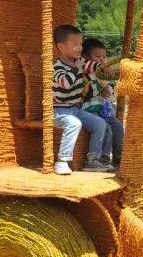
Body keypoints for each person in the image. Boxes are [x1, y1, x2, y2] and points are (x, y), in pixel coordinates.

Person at [51, 25, 113, 175]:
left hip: (76, 109)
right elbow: (65, 84)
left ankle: (93, 160)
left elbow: (95, 67)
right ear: (61, 46)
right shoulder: (57, 67)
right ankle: (62, 161)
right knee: (74, 123)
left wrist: (107, 68)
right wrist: (76, 69)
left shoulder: (80, 62)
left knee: (100, 123)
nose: (79, 48)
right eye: (75, 45)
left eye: (80, 44)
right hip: (59, 111)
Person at [81, 38, 125, 166]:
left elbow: (109, 85)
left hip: (101, 108)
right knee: (107, 128)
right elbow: (86, 93)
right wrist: (101, 91)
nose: (102, 60)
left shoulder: (101, 74)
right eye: (98, 56)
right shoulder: (84, 72)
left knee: (117, 125)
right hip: (89, 109)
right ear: (85, 57)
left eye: (104, 57)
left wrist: (107, 89)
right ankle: (102, 158)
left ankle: (118, 157)